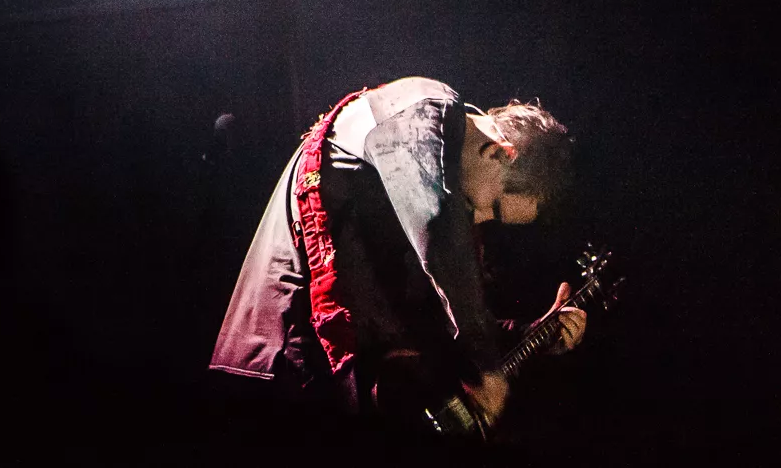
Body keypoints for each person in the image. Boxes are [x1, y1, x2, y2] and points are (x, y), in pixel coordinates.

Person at [210, 77, 587, 433]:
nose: (483, 219)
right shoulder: (424, 110)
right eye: (496, 207)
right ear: (499, 153)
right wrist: (486, 363)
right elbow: (440, 242)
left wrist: (528, 335)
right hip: (280, 372)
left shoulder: (441, 200)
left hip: (330, 389)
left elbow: (429, 317)